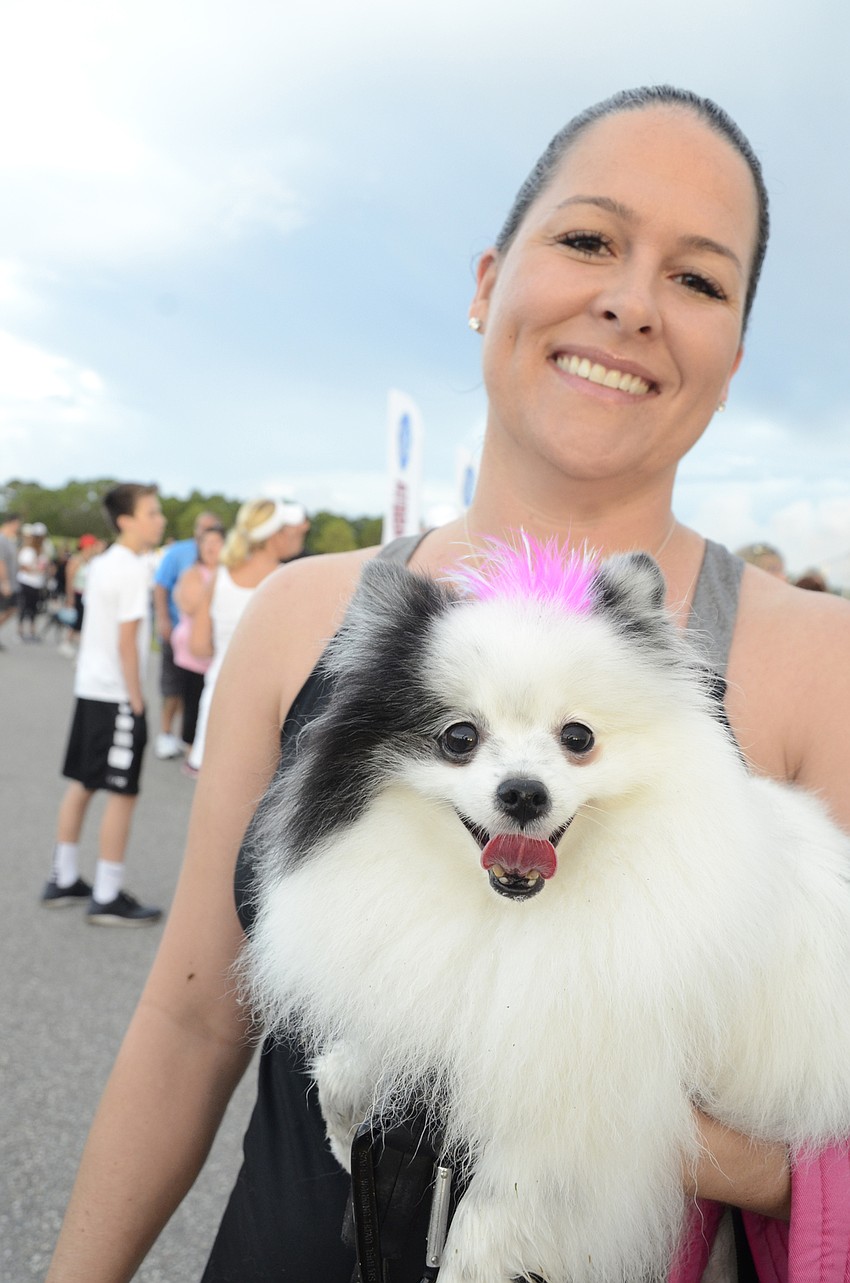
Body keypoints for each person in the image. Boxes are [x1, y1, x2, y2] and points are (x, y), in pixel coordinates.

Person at [45, 87, 850, 1282]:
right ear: (487, 279)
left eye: (698, 279)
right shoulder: (301, 616)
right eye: (587, 240)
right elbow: (195, 1015)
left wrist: (599, 1108)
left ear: (731, 359)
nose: (630, 301)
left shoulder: (815, 657)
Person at [40, 483, 167, 926]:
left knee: (84, 782)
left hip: (90, 688)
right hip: (115, 694)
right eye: (152, 513)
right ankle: (108, 894)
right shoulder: (130, 567)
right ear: (126, 520)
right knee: (121, 792)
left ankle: (64, 876)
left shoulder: (105, 563)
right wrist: (137, 700)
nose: (160, 520)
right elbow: (128, 642)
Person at [184, 498, 309, 774]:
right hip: (263, 711)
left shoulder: (221, 575)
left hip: (218, 696)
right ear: (276, 534)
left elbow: (199, 646)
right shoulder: (287, 580)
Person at [152, 511, 223, 760]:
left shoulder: (228, 567)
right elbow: (161, 586)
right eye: (202, 530)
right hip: (179, 632)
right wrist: (163, 619)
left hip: (214, 643)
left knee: (201, 694)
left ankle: (194, 738)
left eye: (212, 529)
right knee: (174, 688)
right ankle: (166, 733)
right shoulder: (180, 555)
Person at [170, 522, 225, 761]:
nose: (212, 548)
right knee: (193, 699)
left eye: (217, 542)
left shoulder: (228, 574)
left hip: (219, 649)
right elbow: (191, 606)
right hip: (192, 651)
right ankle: (190, 745)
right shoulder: (192, 574)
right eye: (207, 543)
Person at [58, 533, 103, 659]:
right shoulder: (76, 560)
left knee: (82, 622)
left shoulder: (93, 561)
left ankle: (77, 645)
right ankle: (69, 642)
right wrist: (70, 597)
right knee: (77, 621)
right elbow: (70, 579)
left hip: (88, 595)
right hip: (78, 593)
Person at [16, 521, 50, 640]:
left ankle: (31, 631)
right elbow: (23, 566)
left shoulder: (42, 550)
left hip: (37, 583)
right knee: (24, 607)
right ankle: (20, 632)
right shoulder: (28, 550)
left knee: (34, 608)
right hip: (27, 582)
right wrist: (36, 569)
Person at [0, 511, 21, 648]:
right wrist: (5, 582)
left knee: (12, 609)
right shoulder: (2, 539)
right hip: (5, 582)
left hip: (12, 582)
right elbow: (1, 562)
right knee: (4, 609)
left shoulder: (9, 539)